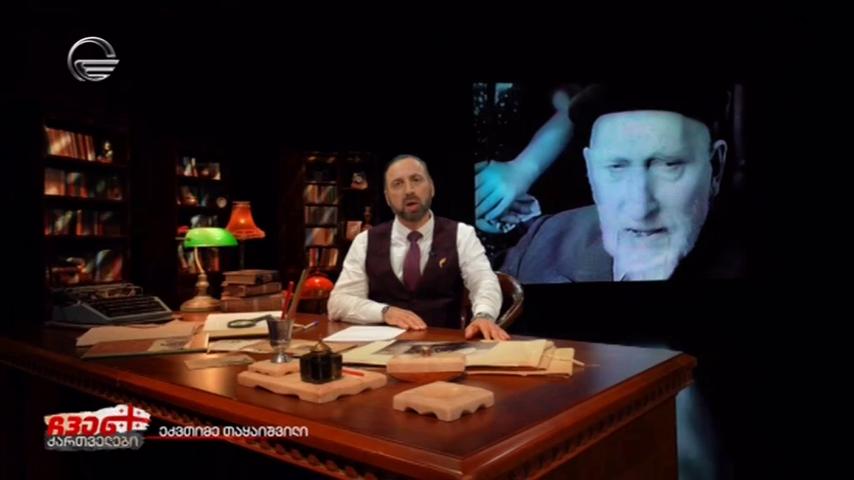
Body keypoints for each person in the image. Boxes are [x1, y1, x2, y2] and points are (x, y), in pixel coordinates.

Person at [491, 84, 739, 282]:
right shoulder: (544, 240)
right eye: (616, 167)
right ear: (590, 170)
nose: (640, 209)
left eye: (668, 165)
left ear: (715, 168)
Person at [328, 154, 510, 340]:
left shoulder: (461, 234)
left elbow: (484, 281)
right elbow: (338, 302)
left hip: (444, 346)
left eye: (416, 180)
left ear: (432, 188)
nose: (409, 190)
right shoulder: (365, 241)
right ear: (387, 198)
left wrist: (484, 315)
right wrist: (384, 312)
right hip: (380, 347)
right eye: (397, 184)